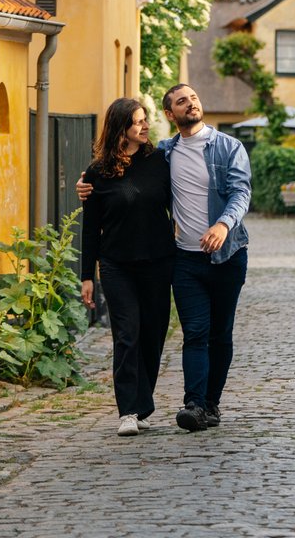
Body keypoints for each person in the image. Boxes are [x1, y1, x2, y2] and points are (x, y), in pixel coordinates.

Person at [79, 83, 251, 432]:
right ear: (171, 115)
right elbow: (106, 195)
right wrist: (87, 184)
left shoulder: (219, 149)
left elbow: (240, 191)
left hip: (218, 257)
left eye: (194, 97)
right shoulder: (166, 152)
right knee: (191, 332)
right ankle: (191, 405)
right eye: (181, 101)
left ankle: (210, 403)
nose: (192, 103)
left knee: (215, 334)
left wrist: (223, 224)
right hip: (180, 260)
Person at [79, 97, 176, 437]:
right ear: (122, 128)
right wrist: (86, 276)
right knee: (127, 334)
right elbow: (90, 229)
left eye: (145, 119)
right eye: (138, 121)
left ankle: (143, 403)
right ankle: (128, 411)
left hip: (158, 263)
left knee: (152, 335)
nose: (145, 125)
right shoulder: (97, 173)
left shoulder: (160, 161)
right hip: (117, 265)